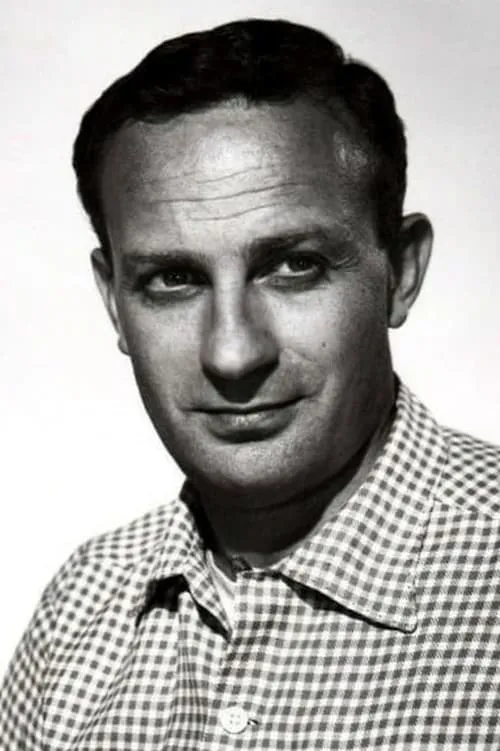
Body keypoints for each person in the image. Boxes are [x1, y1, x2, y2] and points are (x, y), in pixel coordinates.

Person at [1, 17, 499, 750]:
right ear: (113, 302)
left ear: (401, 271)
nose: (233, 354)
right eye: (173, 279)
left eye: (294, 265)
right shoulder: (81, 605)